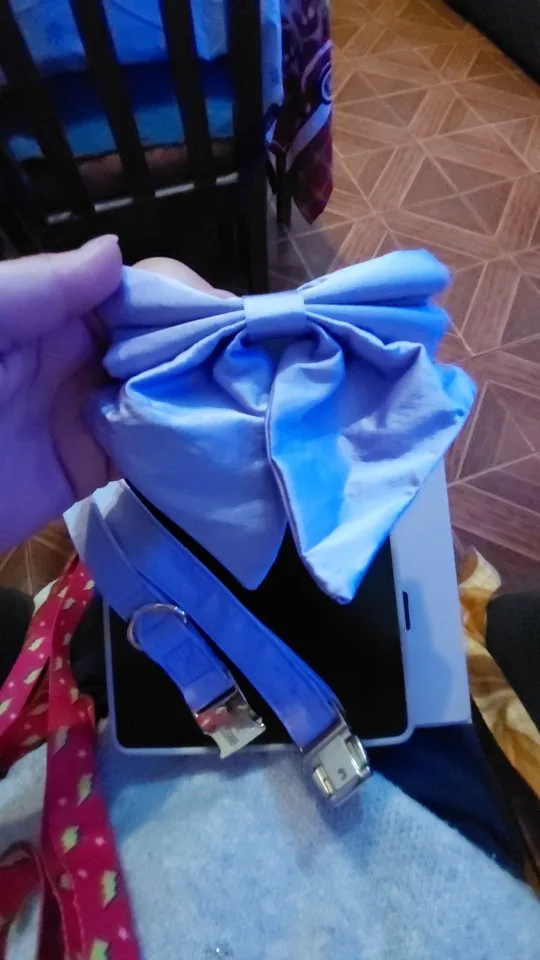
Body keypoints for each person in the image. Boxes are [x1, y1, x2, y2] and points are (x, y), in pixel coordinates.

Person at [0, 239, 539, 959]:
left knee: (122, 548)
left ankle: (212, 489)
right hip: (428, 853)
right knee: (423, 586)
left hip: (113, 823)